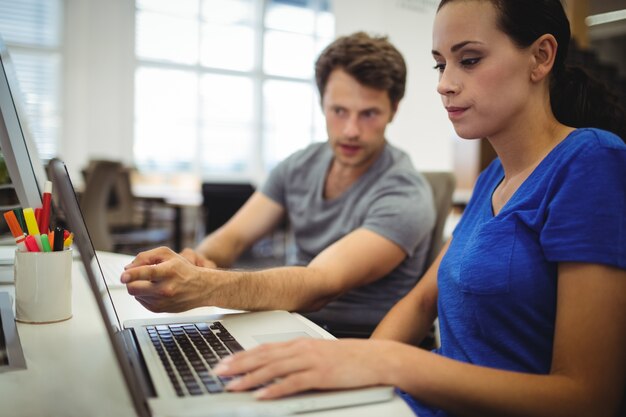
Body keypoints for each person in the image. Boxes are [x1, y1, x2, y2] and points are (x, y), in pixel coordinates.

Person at [210, 1, 626, 416]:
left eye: (469, 60)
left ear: (541, 56)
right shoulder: (494, 179)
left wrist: (386, 362)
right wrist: (348, 376)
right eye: (440, 65)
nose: (445, 84)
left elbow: (589, 399)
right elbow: (421, 302)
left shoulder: (590, 160)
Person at [121, 32, 436, 335]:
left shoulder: (405, 193)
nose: (351, 130)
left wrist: (204, 285)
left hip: (348, 339)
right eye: (339, 111)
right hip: (287, 321)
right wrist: (199, 261)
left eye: (368, 114)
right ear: (322, 103)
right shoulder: (300, 165)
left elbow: (320, 284)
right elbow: (231, 238)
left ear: (393, 110)